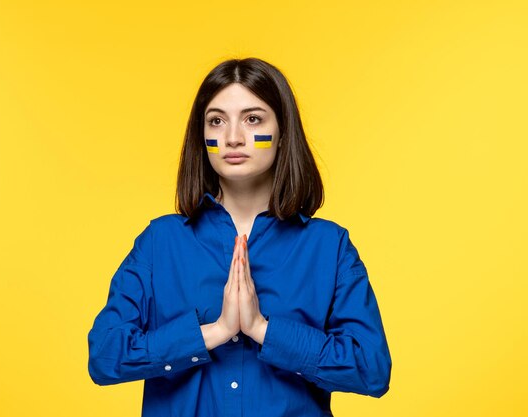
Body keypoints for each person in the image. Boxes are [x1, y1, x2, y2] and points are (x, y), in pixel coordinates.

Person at [87, 57, 392, 416]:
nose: (232, 137)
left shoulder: (329, 247)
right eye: (216, 121)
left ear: (281, 133)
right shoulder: (159, 243)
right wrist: (214, 332)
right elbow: (105, 357)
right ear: (202, 138)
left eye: (253, 119)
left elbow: (372, 370)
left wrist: (262, 330)